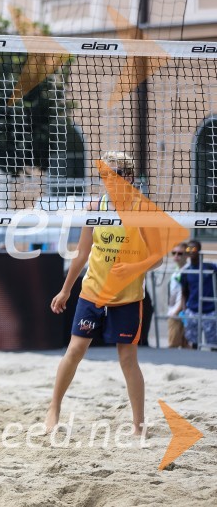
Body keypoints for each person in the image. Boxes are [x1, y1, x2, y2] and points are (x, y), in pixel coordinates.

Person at [47, 152, 163, 435]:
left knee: (127, 359)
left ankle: (138, 425)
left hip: (128, 297)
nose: (109, 180)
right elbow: (81, 254)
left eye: (116, 174)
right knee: (74, 351)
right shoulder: (94, 207)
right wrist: (65, 290)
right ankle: (53, 409)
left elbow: (158, 258)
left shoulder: (143, 209)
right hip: (93, 292)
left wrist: (134, 267)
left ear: (129, 177)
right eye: (106, 175)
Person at [180, 240, 217, 348]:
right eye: (188, 249)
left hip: (210, 310)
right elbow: (184, 293)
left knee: (213, 344)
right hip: (192, 311)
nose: (191, 251)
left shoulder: (210, 267)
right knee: (192, 343)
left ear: (200, 251)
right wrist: (184, 310)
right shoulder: (186, 271)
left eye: (194, 249)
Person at [166, 243, 189, 348]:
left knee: (175, 344)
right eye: (173, 253)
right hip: (174, 309)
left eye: (180, 253)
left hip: (180, 311)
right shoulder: (176, 270)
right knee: (181, 344)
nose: (176, 256)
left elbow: (184, 293)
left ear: (186, 255)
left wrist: (177, 310)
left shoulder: (187, 271)